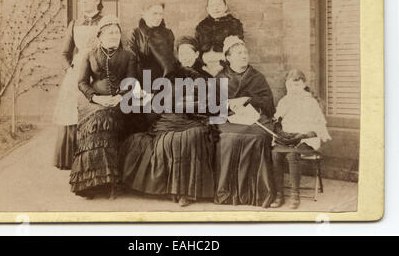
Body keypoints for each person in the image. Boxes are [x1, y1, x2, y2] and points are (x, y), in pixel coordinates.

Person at [120, 36, 217, 207]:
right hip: (169, 117)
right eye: (182, 53)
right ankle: (166, 188)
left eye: (190, 52)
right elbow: (159, 100)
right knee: (160, 140)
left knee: (188, 139)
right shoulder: (170, 76)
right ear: (178, 56)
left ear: (196, 55)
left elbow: (211, 104)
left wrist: (187, 105)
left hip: (195, 119)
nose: (186, 56)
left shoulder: (207, 78)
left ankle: (185, 192)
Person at [69, 15, 137, 199]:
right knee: (96, 123)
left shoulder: (128, 55)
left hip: (119, 102)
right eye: (109, 32)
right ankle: (90, 184)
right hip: (94, 103)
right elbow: (82, 82)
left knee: (105, 121)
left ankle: (111, 183)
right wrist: (96, 98)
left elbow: (131, 82)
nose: (114, 35)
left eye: (116, 32)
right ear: (100, 35)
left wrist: (118, 98)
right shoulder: (89, 53)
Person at [214, 36, 276, 208]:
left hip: (255, 118)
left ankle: (258, 194)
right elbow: (213, 105)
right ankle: (228, 193)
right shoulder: (220, 78)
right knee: (229, 138)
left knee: (258, 137)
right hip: (229, 119)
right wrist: (228, 104)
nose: (243, 56)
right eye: (239, 53)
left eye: (245, 52)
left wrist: (249, 99)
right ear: (228, 57)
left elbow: (268, 103)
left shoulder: (257, 77)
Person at [52, 0, 103, 170]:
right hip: (77, 71)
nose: (83, 4)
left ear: (97, 1)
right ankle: (71, 158)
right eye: (81, 1)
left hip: (98, 69)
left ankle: (93, 159)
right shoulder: (74, 23)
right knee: (71, 111)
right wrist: (70, 68)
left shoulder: (106, 22)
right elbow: (64, 53)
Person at [270, 69, 331, 209]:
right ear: (286, 86)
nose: (293, 89)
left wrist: (302, 135)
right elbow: (277, 120)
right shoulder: (284, 101)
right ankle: (279, 194)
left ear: (303, 85)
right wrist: (280, 131)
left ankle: (295, 195)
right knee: (275, 154)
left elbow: (319, 128)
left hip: (306, 139)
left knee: (292, 154)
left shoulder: (310, 102)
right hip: (289, 138)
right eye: (290, 85)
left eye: (297, 85)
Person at [195, 0, 244, 77]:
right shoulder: (202, 26)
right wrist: (204, 66)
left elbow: (237, 49)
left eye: (219, 4)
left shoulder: (234, 24)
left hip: (226, 67)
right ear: (208, 9)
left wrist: (222, 65)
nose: (215, 8)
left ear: (225, 7)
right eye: (212, 5)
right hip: (205, 67)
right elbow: (197, 48)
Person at [129, 2, 179, 83]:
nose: (158, 17)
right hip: (143, 79)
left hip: (163, 78)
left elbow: (170, 61)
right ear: (144, 14)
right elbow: (132, 61)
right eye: (154, 13)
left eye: (161, 14)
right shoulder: (136, 33)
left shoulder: (168, 33)